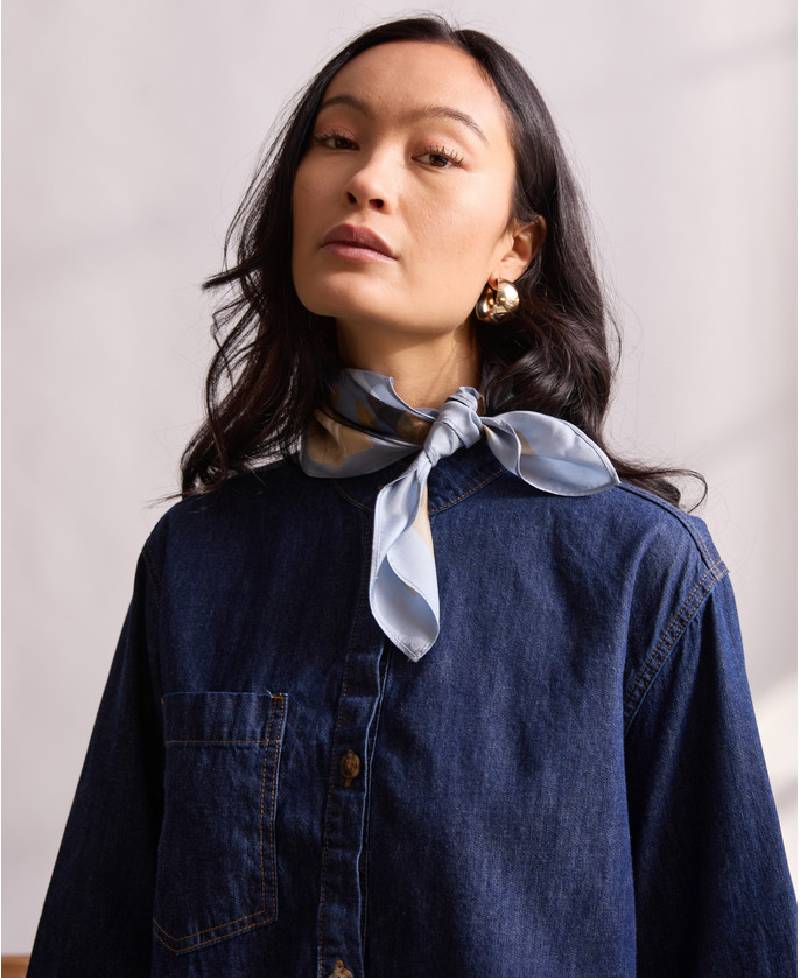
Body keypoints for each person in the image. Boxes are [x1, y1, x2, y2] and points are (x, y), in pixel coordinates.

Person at [27, 14, 797, 978]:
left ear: (515, 247)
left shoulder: (640, 571)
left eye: (434, 154)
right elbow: (95, 940)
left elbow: (733, 948)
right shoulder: (199, 556)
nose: (367, 179)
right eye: (337, 140)